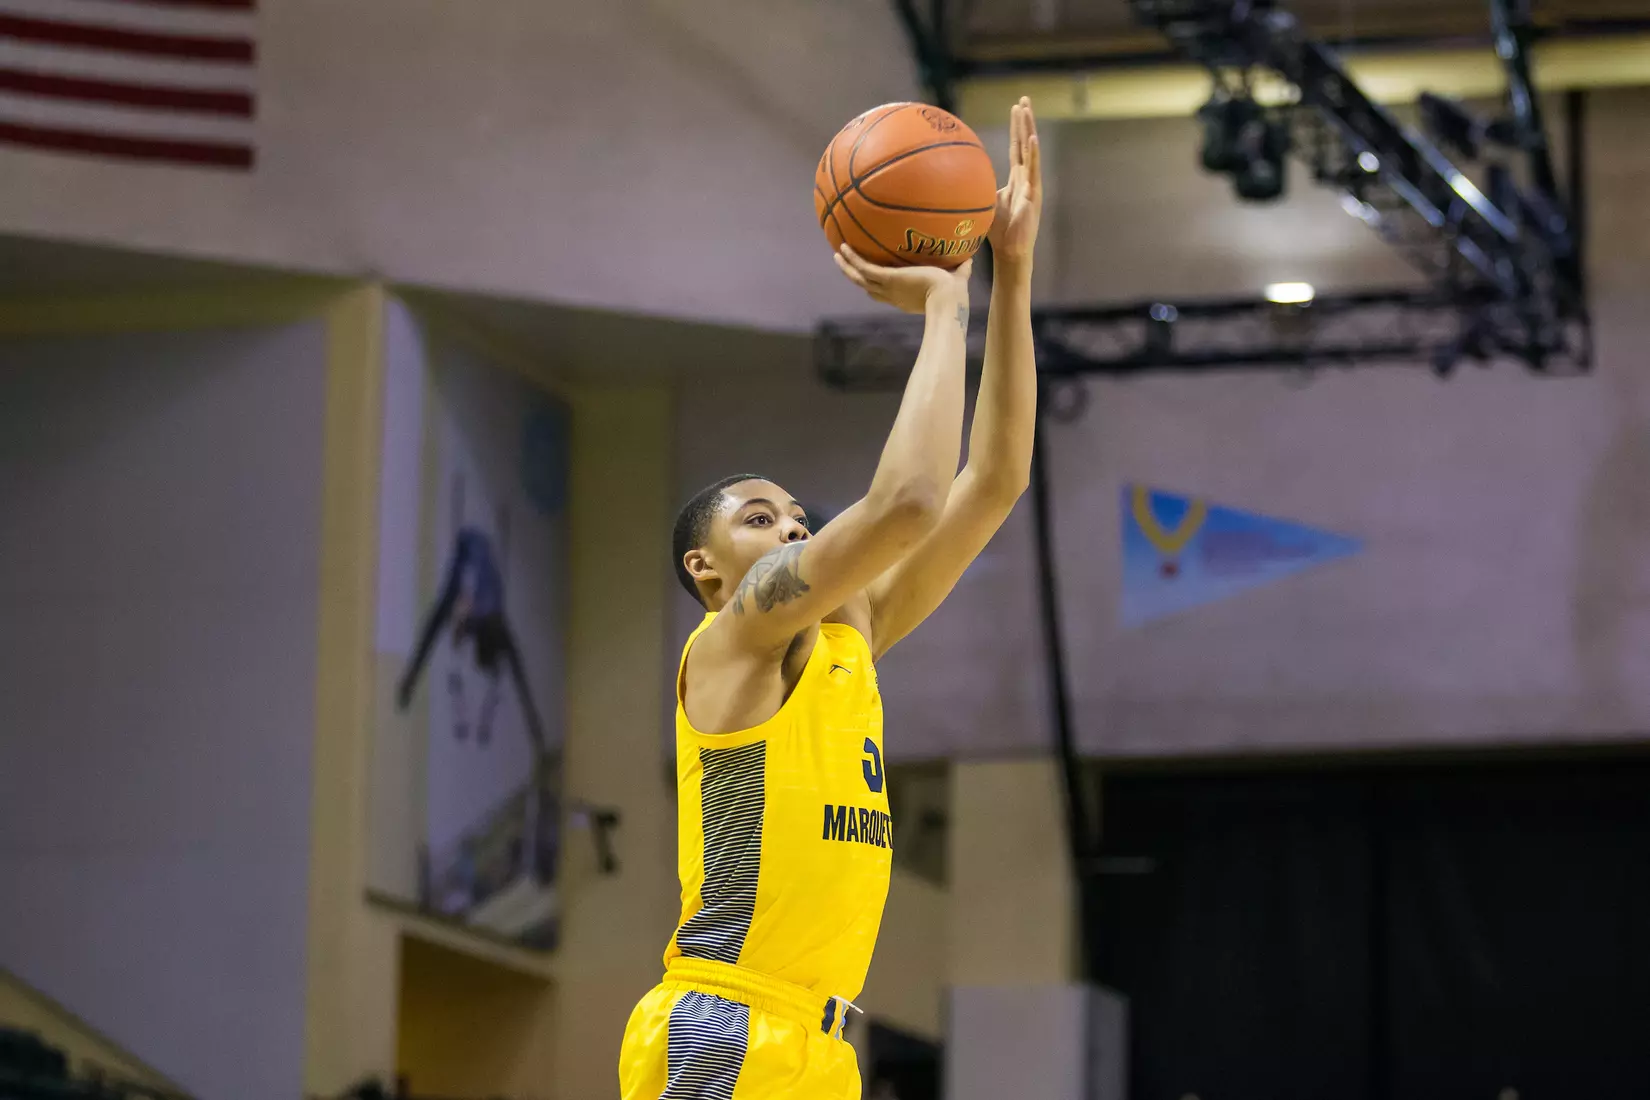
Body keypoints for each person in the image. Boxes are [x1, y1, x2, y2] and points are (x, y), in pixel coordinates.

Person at [619, 98, 1042, 1100]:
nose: (793, 530)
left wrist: (1010, 273)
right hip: (724, 1021)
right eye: (761, 519)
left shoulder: (850, 633)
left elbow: (994, 481)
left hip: (823, 1046)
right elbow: (906, 502)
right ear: (706, 572)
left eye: (797, 515)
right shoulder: (737, 635)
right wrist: (944, 308)